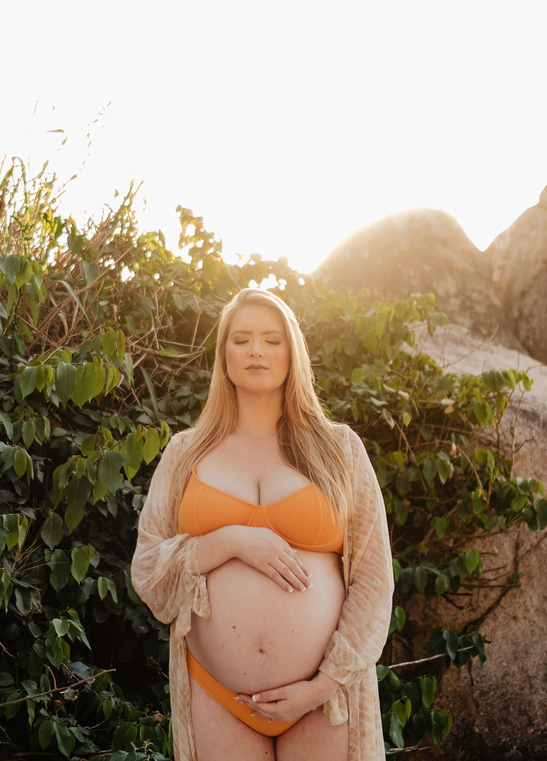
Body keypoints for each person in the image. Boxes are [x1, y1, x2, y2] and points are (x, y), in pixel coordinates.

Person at [131, 288, 394, 761]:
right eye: (242, 339)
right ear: (223, 357)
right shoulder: (184, 453)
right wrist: (230, 541)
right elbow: (148, 571)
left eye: (272, 340)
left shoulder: (341, 450)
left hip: (323, 698)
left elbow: (374, 580)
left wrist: (325, 683)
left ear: (292, 354)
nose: (256, 350)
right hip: (217, 694)